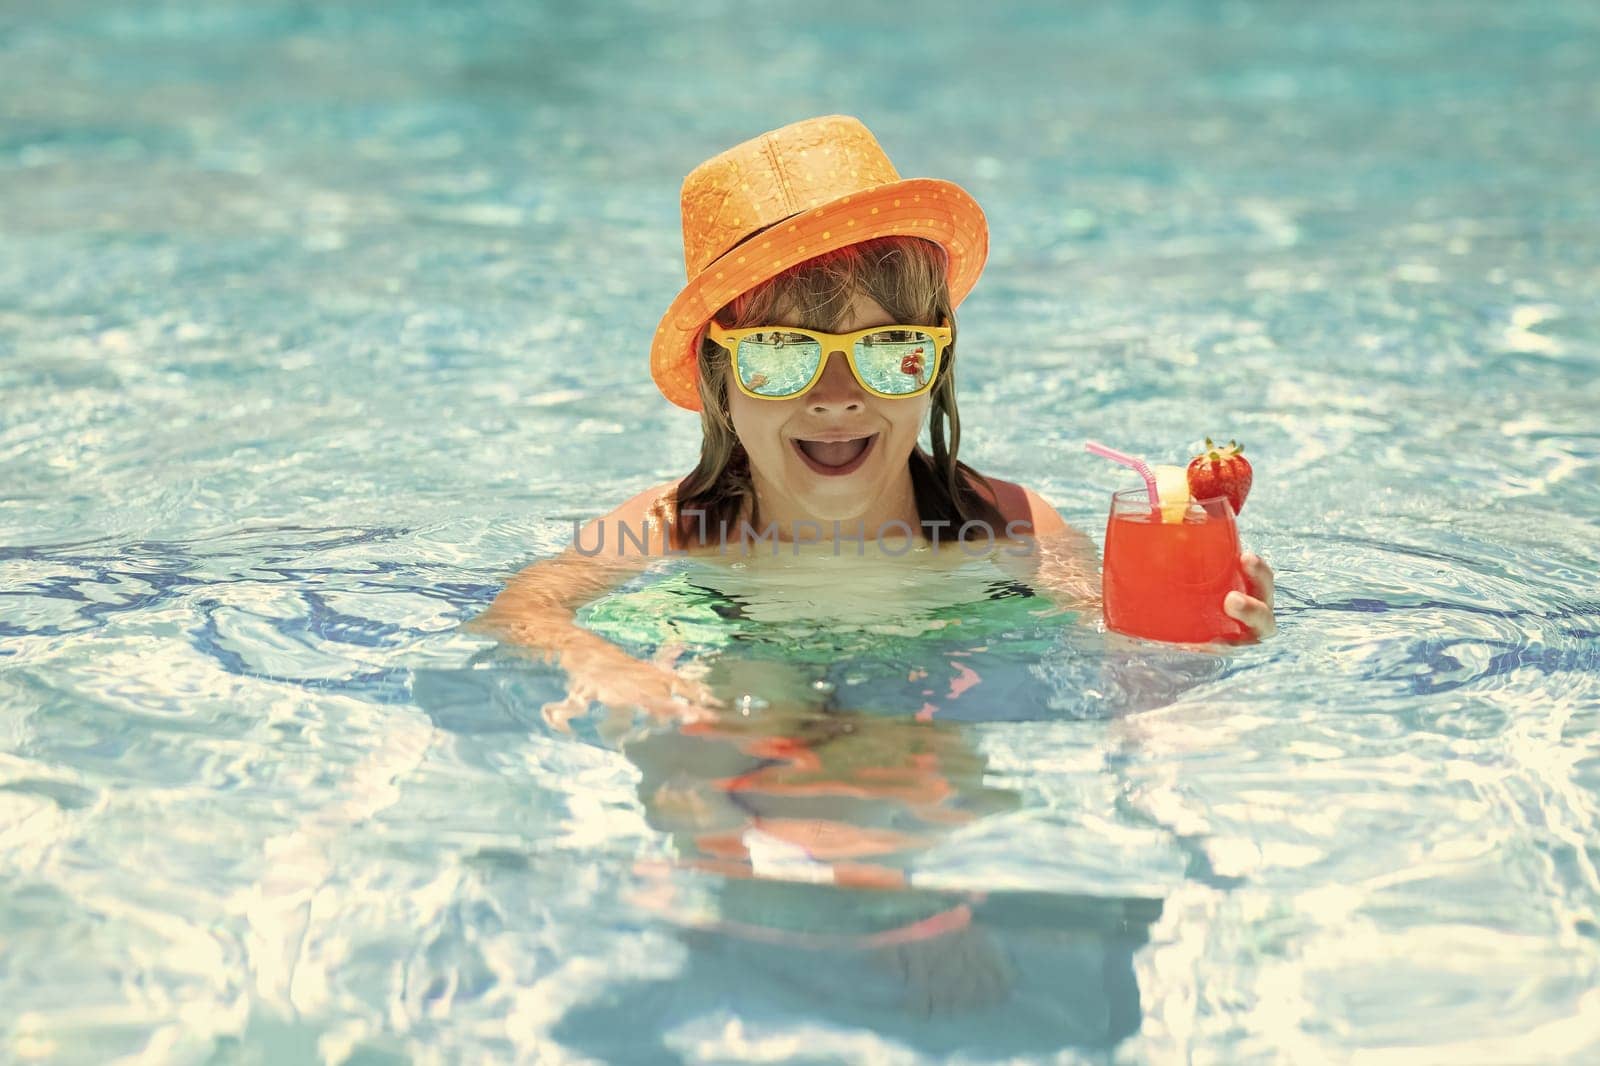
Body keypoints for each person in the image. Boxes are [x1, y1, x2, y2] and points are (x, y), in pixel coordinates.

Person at [477, 114, 1276, 721]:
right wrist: (605, 665)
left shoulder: (1008, 525)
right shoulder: (672, 528)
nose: (836, 393)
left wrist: (1201, 637)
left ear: (935, 365)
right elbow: (520, 610)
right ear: (719, 381)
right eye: (781, 353)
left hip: (933, 702)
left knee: (911, 769)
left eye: (889, 347)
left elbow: (1125, 678)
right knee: (723, 729)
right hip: (742, 699)